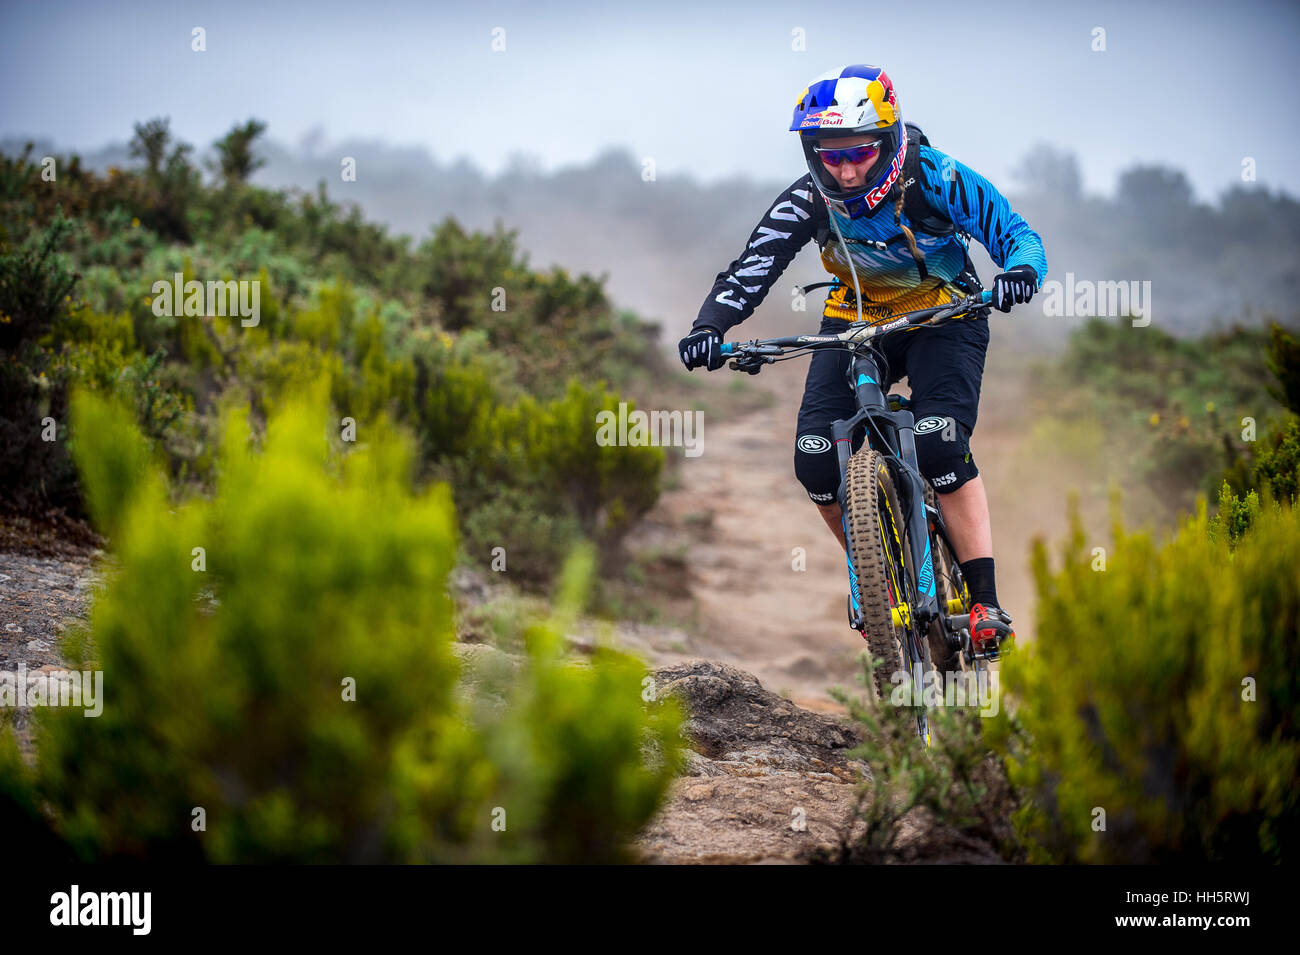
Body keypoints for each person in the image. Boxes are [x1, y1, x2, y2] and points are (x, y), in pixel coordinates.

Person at [678, 64, 1047, 654]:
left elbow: (1016, 233)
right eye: (830, 156)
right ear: (811, 152)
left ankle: (984, 603)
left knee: (941, 443)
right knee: (814, 462)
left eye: (860, 154)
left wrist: (1021, 273)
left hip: (944, 317)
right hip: (856, 322)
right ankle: (876, 574)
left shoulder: (937, 177)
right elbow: (752, 269)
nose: (845, 170)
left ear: (889, 141)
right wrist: (709, 327)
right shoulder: (808, 199)